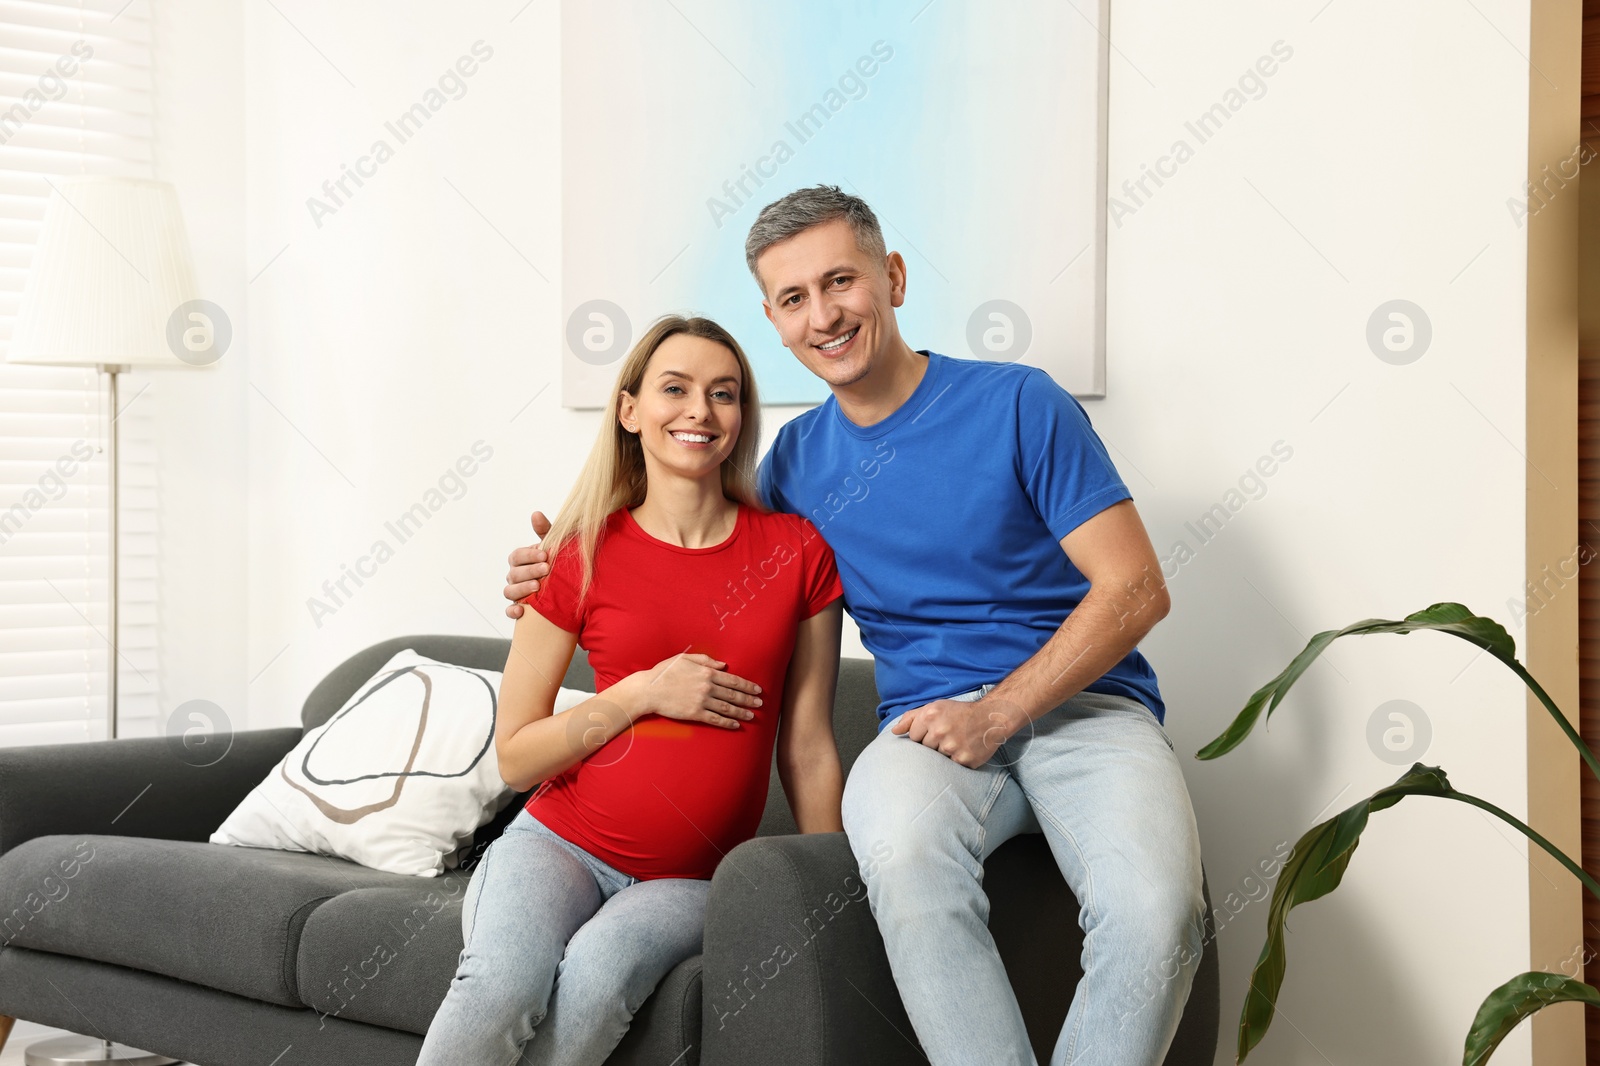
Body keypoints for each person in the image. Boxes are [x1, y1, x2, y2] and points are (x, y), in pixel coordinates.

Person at [504, 187, 1204, 1066]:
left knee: (1158, 913)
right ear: (774, 319)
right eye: (794, 299)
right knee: (905, 864)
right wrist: (558, 563)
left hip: (1088, 711)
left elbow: (1135, 588)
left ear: (894, 278)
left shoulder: (1020, 404)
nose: (824, 314)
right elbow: (695, 545)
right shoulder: (795, 465)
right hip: (921, 730)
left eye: (842, 281)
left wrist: (998, 711)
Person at [421, 314, 845, 1066]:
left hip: (688, 878)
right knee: (501, 988)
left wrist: (829, 885)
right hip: (558, 844)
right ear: (629, 410)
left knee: (596, 978)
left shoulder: (796, 552)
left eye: (723, 393)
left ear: (741, 416)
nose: (699, 412)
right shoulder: (577, 552)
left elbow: (807, 744)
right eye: (674, 389)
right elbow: (517, 758)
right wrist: (642, 692)